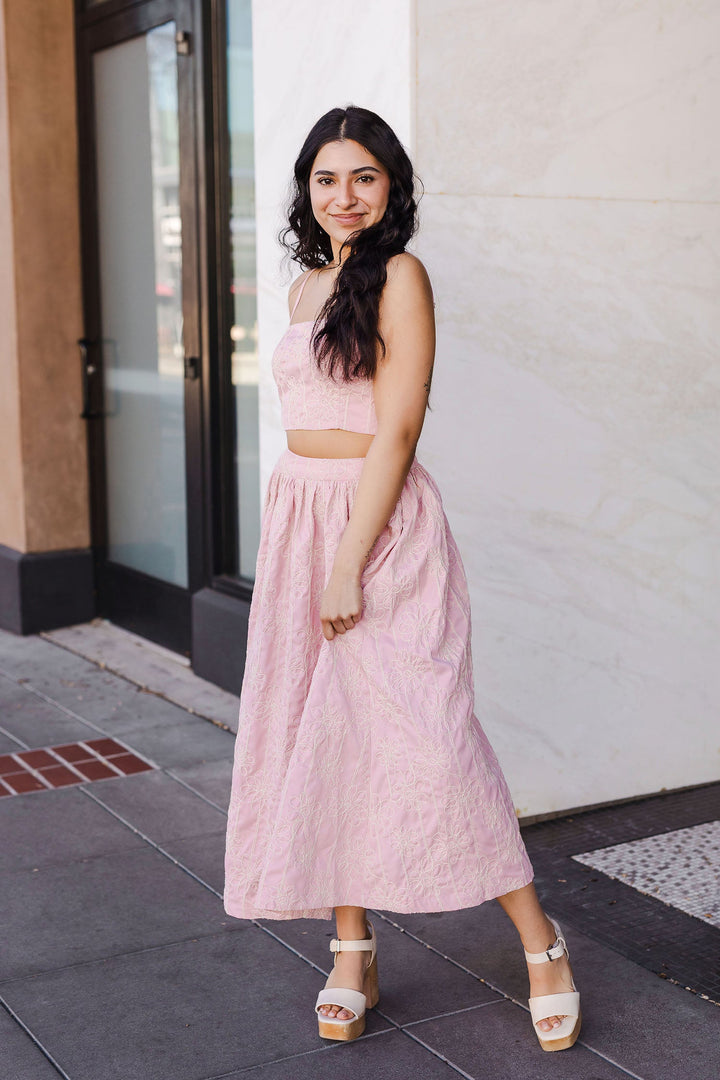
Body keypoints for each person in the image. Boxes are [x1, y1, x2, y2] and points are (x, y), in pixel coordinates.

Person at [223, 105, 581, 1052]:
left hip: (375, 529)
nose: (345, 196)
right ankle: (353, 952)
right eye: (327, 178)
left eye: (365, 177)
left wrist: (347, 562)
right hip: (299, 515)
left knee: (433, 736)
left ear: (392, 187)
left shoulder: (403, 277)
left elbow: (399, 428)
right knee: (317, 733)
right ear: (307, 188)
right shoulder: (306, 289)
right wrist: (306, 543)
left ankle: (543, 946)